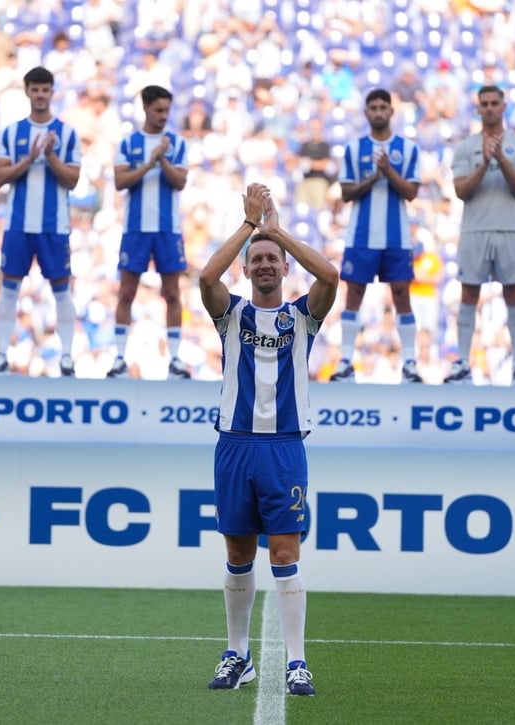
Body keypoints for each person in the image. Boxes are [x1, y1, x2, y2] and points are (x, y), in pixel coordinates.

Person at [198, 184, 336, 697]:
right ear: (246, 267)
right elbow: (206, 276)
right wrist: (249, 225)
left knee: (283, 552)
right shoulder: (230, 314)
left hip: (283, 447)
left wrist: (276, 230)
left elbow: (330, 276)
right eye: (256, 258)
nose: (263, 264)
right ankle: (238, 654)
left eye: (271, 259)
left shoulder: (302, 317)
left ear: (283, 267)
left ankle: (297, 661)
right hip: (234, 444)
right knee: (237, 552)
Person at [0, 66, 82, 377]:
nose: (40, 95)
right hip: (18, 225)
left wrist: (51, 156)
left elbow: (73, 181)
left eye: (45, 90)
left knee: (61, 290)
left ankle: (66, 357)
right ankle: (1, 355)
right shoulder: (12, 132)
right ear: (27, 92)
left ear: (52, 92)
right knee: (9, 289)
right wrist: (29, 159)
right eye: (35, 89)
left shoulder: (66, 134)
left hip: (54, 227)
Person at [330, 88, 422, 384]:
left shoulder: (408, 150)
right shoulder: (354, 150)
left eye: (384, 107)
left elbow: (411, 192)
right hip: (360, 236)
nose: (379, 112)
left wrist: (389, 172)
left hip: (397, 238)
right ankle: (345, 362)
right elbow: (345, 193)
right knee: (353, 295)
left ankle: (409, 364)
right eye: (374, 107)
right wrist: (373, 177)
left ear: (391, 112)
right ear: (367, 112)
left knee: (402, 295)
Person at [446, 84, 515, 385]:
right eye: (484, 103)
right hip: (475, 229)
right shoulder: (465, 147)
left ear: (503, 106)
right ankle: (461, 362)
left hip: (509, 229)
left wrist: (500, 158)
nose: (489, 108)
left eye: (494, 103)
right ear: (478, 108)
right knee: (469, 293)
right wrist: (485, 163)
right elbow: (461, 191)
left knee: (514, 293)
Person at [108, 85, 191, 380]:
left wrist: (163, 159)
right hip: (136, 228)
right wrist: (150, 161)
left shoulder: (177, 144)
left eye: (167, 110)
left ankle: (176, 359)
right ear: (145, 108)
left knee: (172, 292)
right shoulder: (129, 144)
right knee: (127, 292)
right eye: (158, 110)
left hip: (168, 229)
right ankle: (119, 358)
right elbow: (120, 181)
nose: (163, 116)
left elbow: (180, 181)